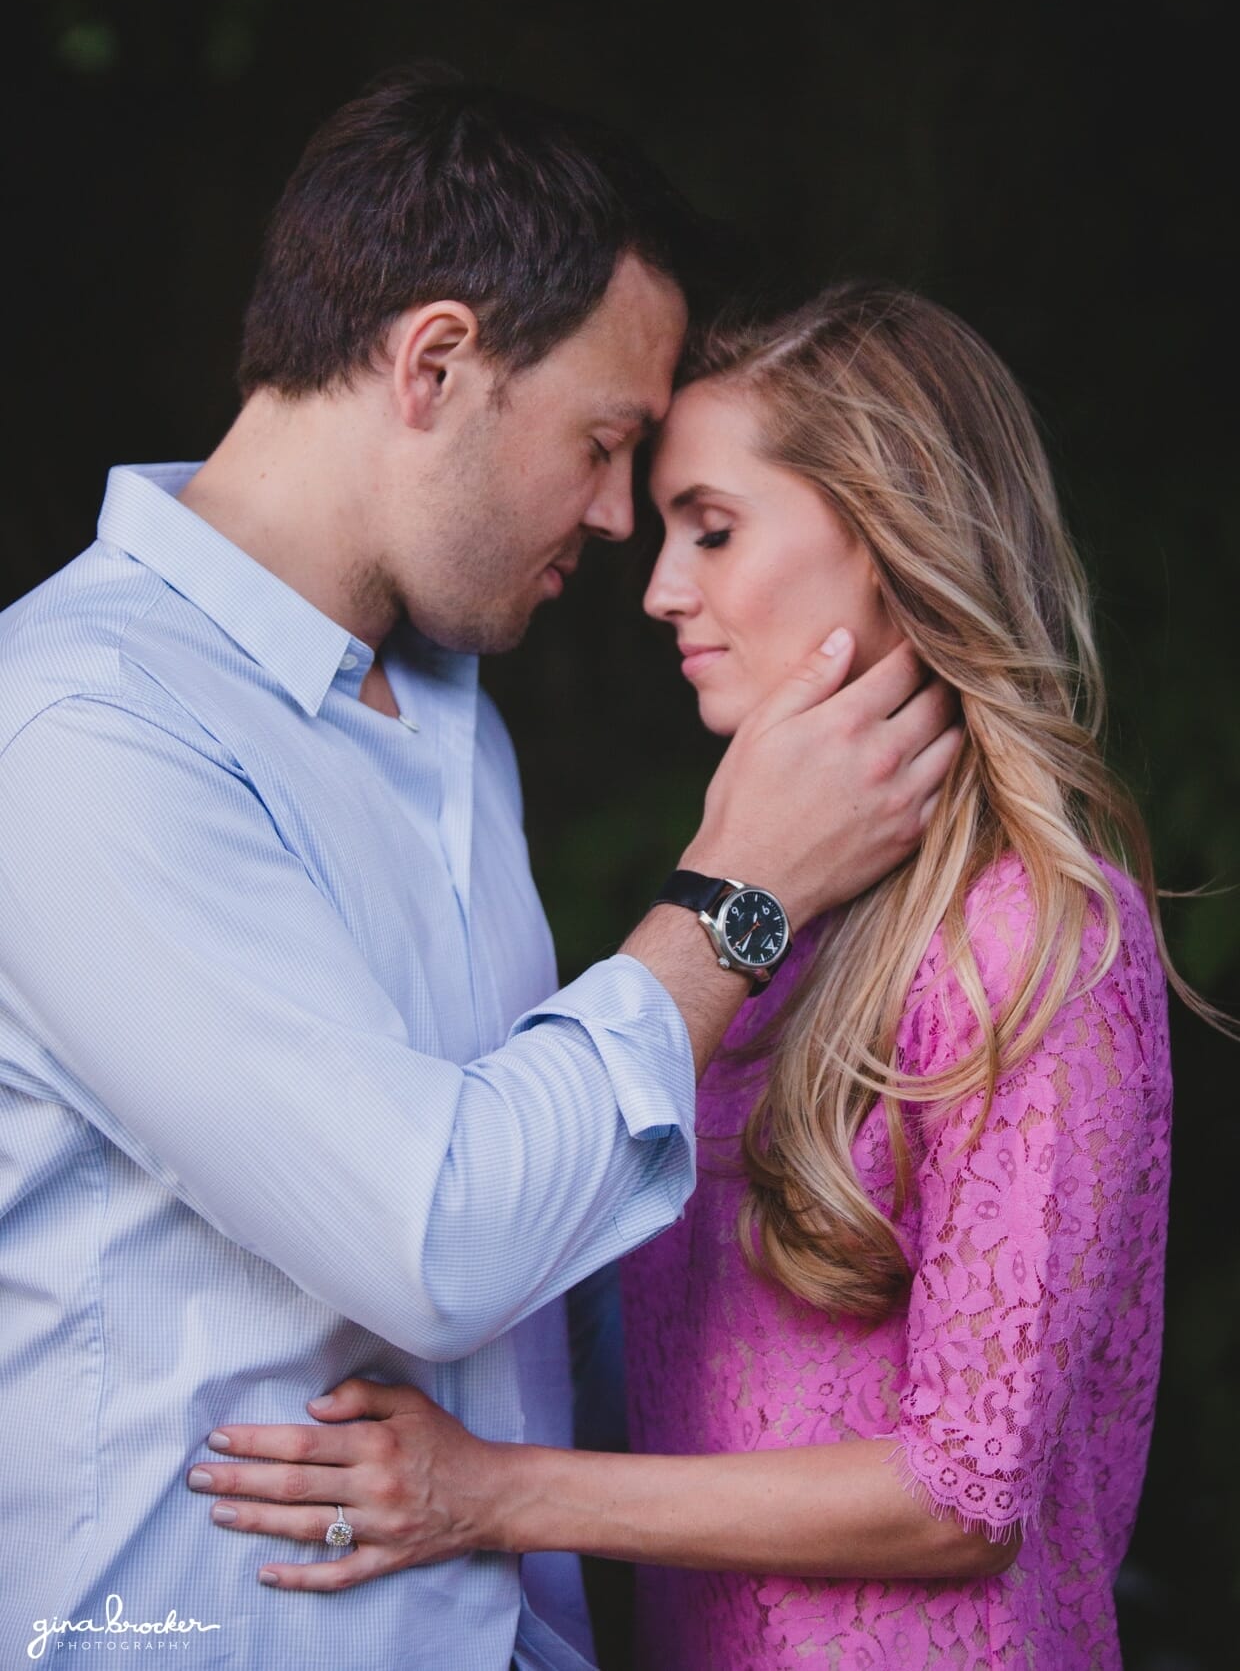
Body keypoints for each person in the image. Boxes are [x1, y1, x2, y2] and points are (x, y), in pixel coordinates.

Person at [0, 73, 958, 1671]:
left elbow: (548, 1252)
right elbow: (435, 1245)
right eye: (602, 443)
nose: (610, 516)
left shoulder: (449, 711)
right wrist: (738, 895)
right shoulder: (80, 731)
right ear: (435, 362)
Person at [195, 283, 1186, 1670]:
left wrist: (489, 1492)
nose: (660, 586)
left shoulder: (1039, 933)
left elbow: (966, 1494)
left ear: (893, 535)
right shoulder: (774, 928)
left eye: (711, 529)